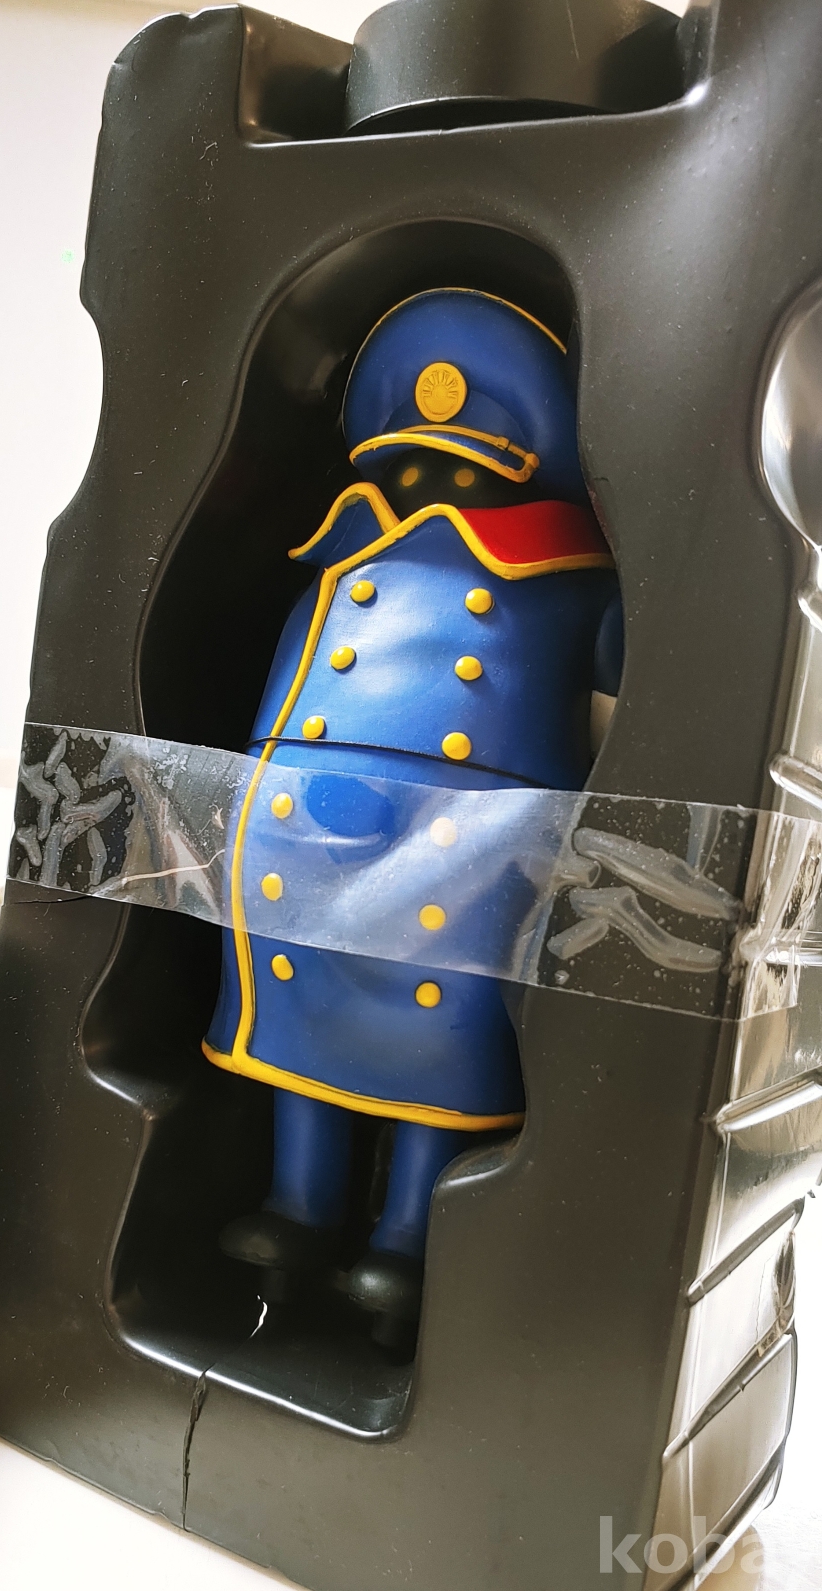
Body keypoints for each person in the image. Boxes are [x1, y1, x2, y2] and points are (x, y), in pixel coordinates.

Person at [203, 288, 622, 1341]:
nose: (426, 477)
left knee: (439, 1030)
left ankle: (402, 1233)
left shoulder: (570, 574)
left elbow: (613, 706)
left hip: (465, 851)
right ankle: (300, 1205)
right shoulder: (344, 546)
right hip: (308, 828)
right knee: (301, 1005)